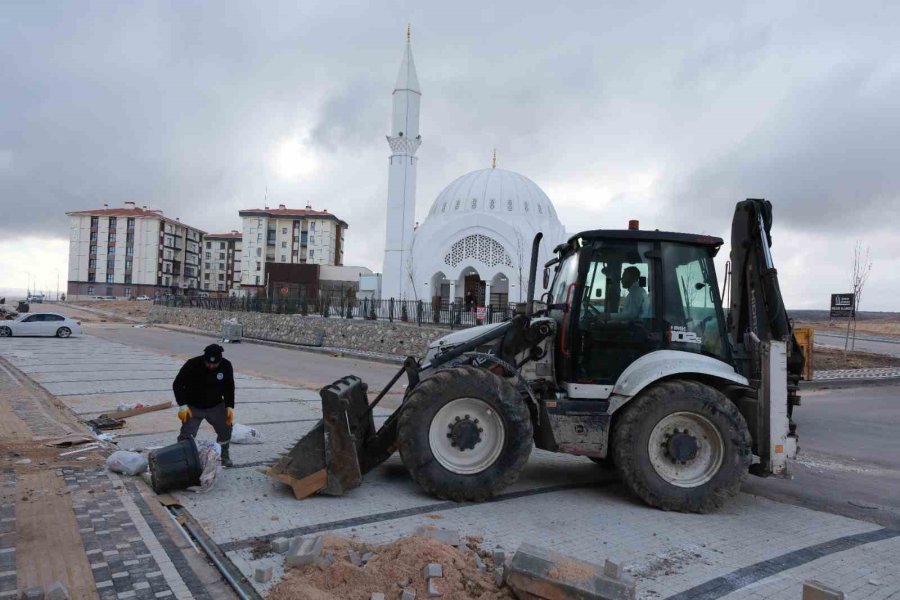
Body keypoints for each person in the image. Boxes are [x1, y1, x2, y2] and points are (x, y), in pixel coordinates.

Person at [172, 343, 236, 467]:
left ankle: (223, 455)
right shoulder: (192, 364)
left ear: (220, 360)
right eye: (208, 363)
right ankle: (183, 458)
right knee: (187, 435)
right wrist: (183, 405)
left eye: (214, 364)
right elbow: (177, 384)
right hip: (194, 406)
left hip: (216, 405)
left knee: (226, 428)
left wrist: (229, 406)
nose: (211, 366)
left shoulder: (226, 366)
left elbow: (229, 387)